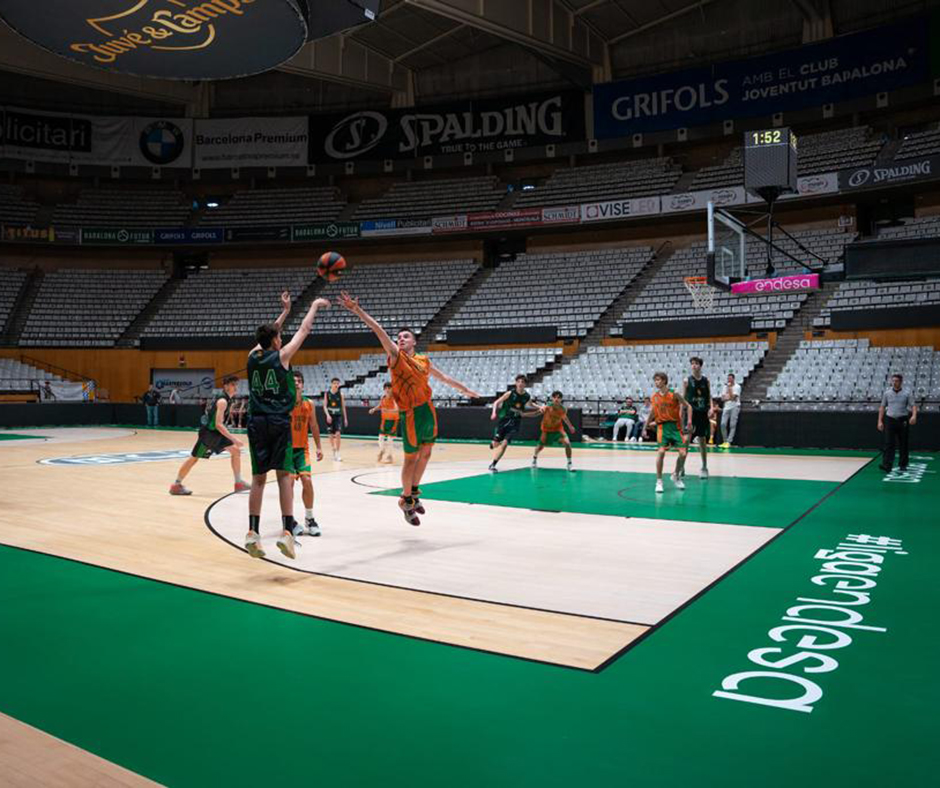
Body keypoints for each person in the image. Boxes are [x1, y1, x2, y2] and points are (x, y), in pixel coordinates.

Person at [338, 291, 481, 526]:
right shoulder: (396, 357)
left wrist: (465, 389)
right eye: (399, 337)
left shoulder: (423, 361)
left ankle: (413, 493)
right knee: (410, 459)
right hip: (411, 414)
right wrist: (357, 311)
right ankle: (405, 500)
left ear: (415, 341)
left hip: (427, 410)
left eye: (406, 337)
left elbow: (442, 376)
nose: (401, 339)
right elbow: (380, 332)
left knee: (426, 453)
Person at [245, 290, 330, 560]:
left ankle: (253, 533)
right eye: (279, 336)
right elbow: (304, 330)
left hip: (255, 421)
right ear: (275, 341)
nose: (282, 338)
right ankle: (286, 534)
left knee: (258, 480)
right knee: (284, 476)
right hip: (278, 421)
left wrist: (284, 312)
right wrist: (314, 306)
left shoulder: (252, 356)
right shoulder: (281, 357)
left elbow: (268, 334)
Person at [169, 376, 248, 496]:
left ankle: (238, 483)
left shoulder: (226, 399)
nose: (235, 387)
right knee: (194, 458)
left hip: (216, 434)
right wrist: (234, 438)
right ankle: (176, 485)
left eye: (236, 385)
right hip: (210, 435)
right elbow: (218, 424)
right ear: (226, 386)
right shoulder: (223, 401)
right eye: (233, 385)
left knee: (236, 452)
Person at [290, 370, 324, 536]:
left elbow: (314, 426)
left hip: (302, 449)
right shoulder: (284, 404)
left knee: (307, 481)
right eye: (293, 381)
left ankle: (309, 518)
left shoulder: (309, 404)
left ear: (302, 385)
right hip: (286, 449)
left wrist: (319, 447)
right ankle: (288, 519)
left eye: (299, 381)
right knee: (287, 485)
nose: (296, 383)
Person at [645, 372, 690, 494]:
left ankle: (676, 475)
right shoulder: (654, 397)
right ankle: (659, 481)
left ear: (664, 381)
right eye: (655, 380)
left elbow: (687, 406)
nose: (656, 382)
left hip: (675, 427)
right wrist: (645, 426)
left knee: (683, 453)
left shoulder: (673, 393)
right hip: (662, 427)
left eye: (658, 380)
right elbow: (653, 413)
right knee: (661, 451)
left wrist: (689, 421)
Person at [489, 374, 541, 472]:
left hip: (515, 422)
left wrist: (540, 407)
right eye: (519, 381)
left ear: (525, 384)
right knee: (496, 444)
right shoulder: (509, 393)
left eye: (523, 382)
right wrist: (494, 413)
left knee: (504, 444)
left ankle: (493, 464)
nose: (520, 383)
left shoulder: (526, 396)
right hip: (504, 420)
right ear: (516, 383)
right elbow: (496, 403)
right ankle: (494, 443)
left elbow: (530, 404)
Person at [878, 373, 918, 473]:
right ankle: (887, 465)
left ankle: (903, 464)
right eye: (893, 381)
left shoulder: (907, 393)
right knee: (889, 443)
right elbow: (882, 407)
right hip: (890, 419)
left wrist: (913, 416)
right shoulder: (887, 393)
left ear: (901, 382)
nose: (894, 382)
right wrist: (879, 421)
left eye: (896, 381)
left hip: (903, 419)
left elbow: (913, 406)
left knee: (903, 443)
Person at [682, 356, 712, 479]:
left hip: (702, 413)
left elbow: (709, 396)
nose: (694, 365)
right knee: (687, 440)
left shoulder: (706, 380)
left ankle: (704, 467)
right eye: (692, 364)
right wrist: (680, 414)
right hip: (690, 414)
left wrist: (711, 408)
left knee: (702, 440)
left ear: (700, 365)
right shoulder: (687, 380)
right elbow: (683, 399)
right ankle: (681, 467)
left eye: (696, 363)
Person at [532, 390, 575, 471]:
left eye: (558, 398)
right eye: (554, 397)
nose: (556, 399)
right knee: (540, 447)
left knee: (567, 443)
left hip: (558, 430)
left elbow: (565, 418)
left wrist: (570, 426)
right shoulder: (547, 407)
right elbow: (539, 411)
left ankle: (569, 463)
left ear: (561, 399)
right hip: (546, 431)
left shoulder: (563, 409)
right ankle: (534, 459)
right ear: (552, 398)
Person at [368, 381, 399, 464]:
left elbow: (397, 409)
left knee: (389, 440)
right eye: (386, 388)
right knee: (380, 438)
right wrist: (374, 409)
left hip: (393, 421)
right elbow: (380, 405)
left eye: (389, 388)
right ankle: (382, 451)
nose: (387, 390)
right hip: (384, 420)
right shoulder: (383, 397)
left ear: (392, 389)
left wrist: (388, 410)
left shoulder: (395, 398)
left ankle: (390, 457)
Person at [323, 377, 348, 462]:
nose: (336, 385)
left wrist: (345, 419)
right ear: (331, 384)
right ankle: (333, 449)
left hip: (338, 416)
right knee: (330, 434)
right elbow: (324, 406)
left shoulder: (341, 394)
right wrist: (327, 415)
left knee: (338, 434)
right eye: (334, 383)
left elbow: (343, 407)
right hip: (330, 416)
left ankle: (337, 452)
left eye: (337, 383)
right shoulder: (327, 394)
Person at [720, 373, 741, 447]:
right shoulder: (724, 387)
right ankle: (725, 441)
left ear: (733, 379)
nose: (728, 380)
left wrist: (729, 389)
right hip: (726, 407)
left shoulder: (737, 387)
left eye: (730, 378)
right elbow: (722, 398)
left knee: (732, 425)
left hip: (735, 407)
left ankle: (729, 442)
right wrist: (728, 397)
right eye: (728, 378)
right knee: (723, 424)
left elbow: (733, 397)